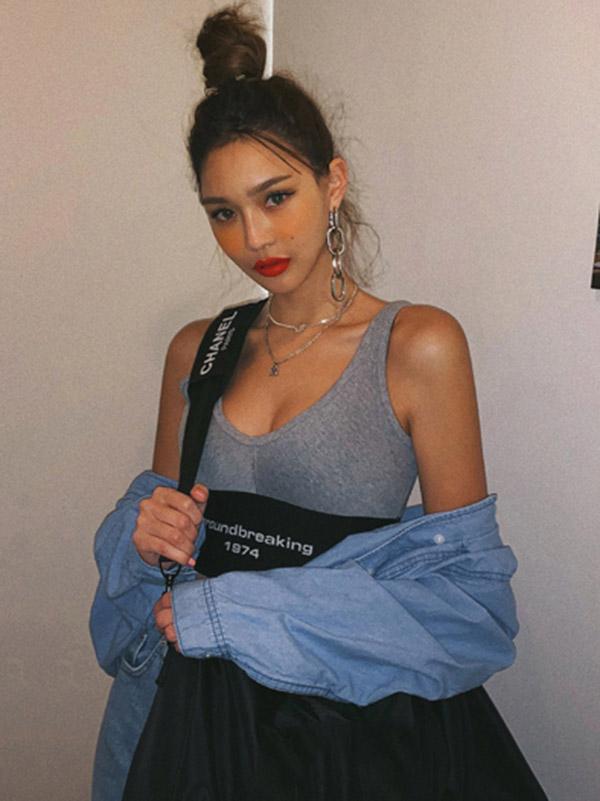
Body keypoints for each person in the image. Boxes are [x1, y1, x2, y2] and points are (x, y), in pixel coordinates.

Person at [90, 5, 548, 800]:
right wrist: (148, 535)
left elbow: (472, 606)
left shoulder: (417, 346)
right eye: (223, 213)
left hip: (342, 736)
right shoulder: (196, 351)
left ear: (332, 182)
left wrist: (246, 613)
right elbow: (156, 552)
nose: (253, 238)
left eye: (275, 197)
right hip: (187, 723)